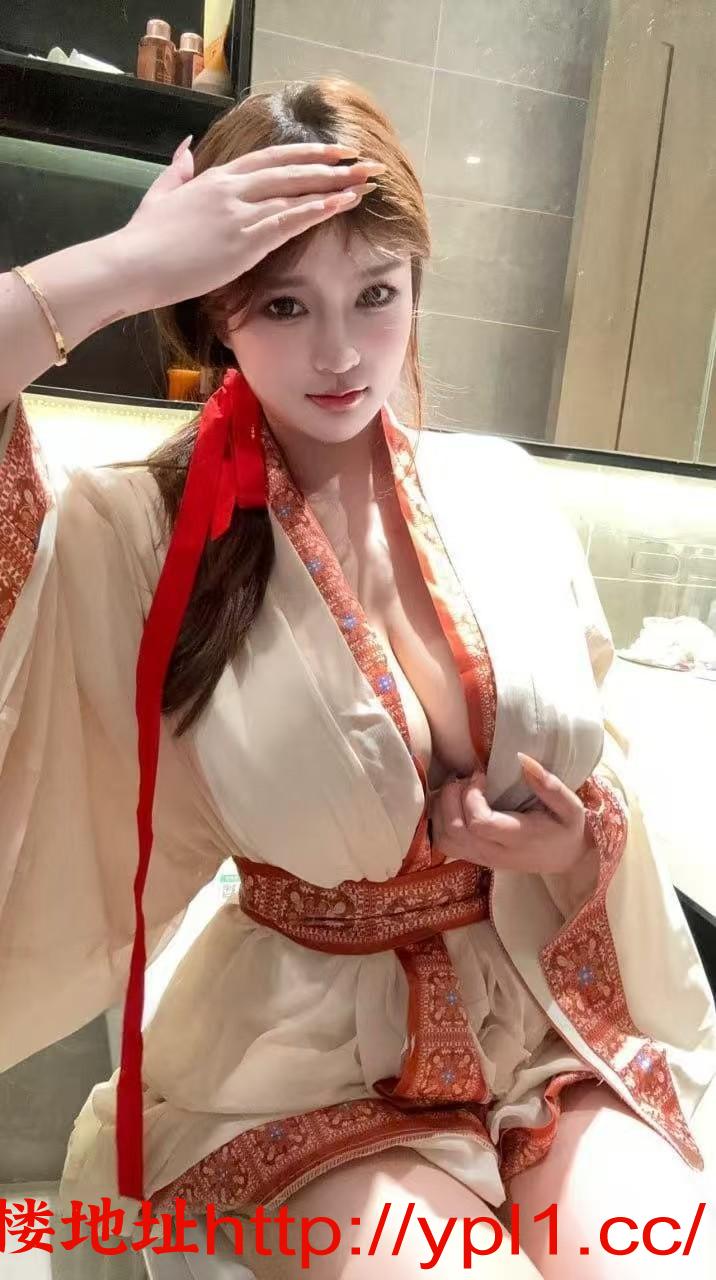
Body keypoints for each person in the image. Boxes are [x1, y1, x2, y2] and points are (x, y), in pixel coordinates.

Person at [1, 76, 715, 1279]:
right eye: (282, 302)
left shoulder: (496, 488)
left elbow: (602, 781)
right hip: (300, 1052)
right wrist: (123, 266)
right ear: (216, 308)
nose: (338, 352)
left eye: (375, 293)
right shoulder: (144, 534)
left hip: (531, 1010)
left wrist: (565, 840)